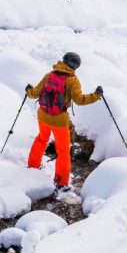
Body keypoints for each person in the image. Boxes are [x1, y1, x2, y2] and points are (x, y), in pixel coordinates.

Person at [24, 52, 102, 189]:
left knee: (41, 139)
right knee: (63, 151)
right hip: (59, 120)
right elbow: (80, 100)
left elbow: (35, 93)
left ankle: (33, 165)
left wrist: (28, 91)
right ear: (76, 66)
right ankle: (61, 183)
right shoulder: (72, 80)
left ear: (63, 61)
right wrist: (96, 95)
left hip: (42, 115)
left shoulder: (50, 75)